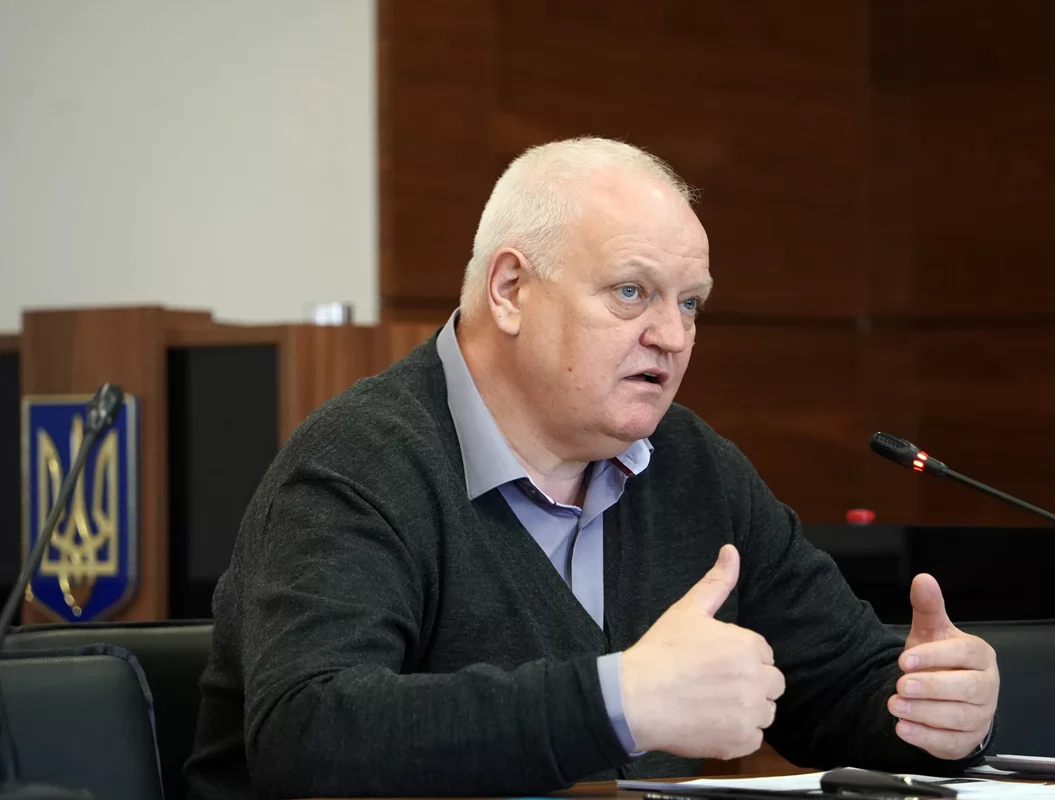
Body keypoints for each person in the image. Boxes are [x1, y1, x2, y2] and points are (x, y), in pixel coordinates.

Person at [185, 138, 998, 799]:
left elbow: (838, 680)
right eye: (632, 293)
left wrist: (929, 707)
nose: (672, 337)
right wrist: (621, 701)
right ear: (510, 289)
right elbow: (310, 733)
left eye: (689, 303)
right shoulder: (362, 459)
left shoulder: (691, 465)